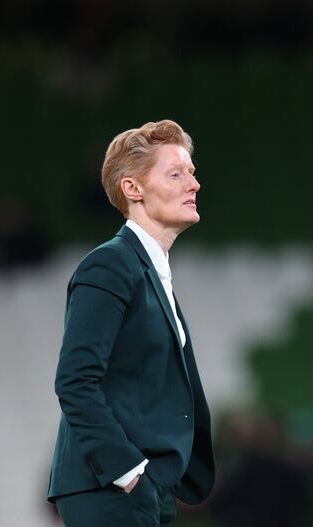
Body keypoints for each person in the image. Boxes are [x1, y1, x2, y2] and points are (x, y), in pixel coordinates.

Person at [47, 120, 215, 526]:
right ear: (133, 189)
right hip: (113, 488)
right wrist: (127, 473)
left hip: (145, 488)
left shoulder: (148, 272)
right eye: (176, 174)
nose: (193, 185)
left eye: (191, 173)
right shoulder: (110, 264)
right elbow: (74, 381)